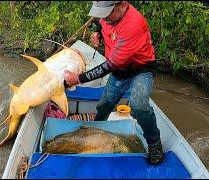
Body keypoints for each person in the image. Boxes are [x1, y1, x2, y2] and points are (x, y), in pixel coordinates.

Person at [64, 1, 164, 165]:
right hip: (120, 70)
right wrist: (98, 34)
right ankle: (93, 131)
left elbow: (109, 65)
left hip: (141, 70)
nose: (104, 17)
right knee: (104, 104)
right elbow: (102, 23)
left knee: (138, 105)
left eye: (107, 13)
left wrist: (78, 78)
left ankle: (154, 144)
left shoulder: (133, 25)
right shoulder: (109, 15)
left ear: (122, 5)